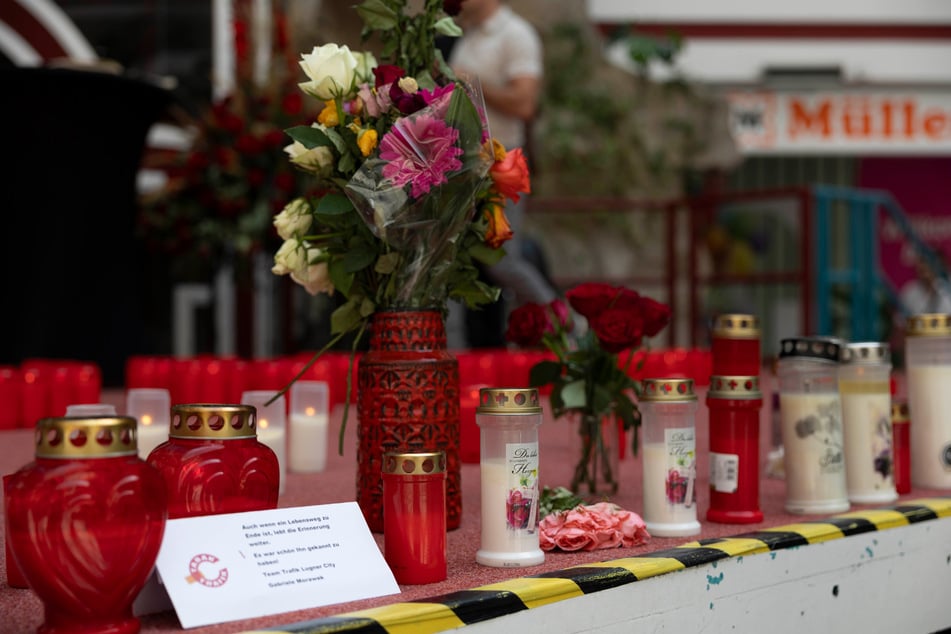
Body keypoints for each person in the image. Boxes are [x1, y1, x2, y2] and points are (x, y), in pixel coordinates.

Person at [445, 0, 559, 348]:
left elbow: (525, 103)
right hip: (466, 163)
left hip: (503, 161)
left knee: (503, 261)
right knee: (465, 261)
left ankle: (563, 323)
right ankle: (475, 351)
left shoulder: (516, 34)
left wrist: (475, 84)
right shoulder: (469, 34)